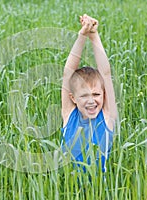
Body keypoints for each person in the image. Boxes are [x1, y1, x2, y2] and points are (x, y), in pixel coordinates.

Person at [61, 14, 118, 173]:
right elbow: (68, 73)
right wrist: (82, 35)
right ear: (73, 98)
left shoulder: (107, 117)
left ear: (104, 95)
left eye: (96, 94)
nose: (91, 101)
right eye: (84, 96)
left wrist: (94, 35)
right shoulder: (69, 115)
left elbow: (105, 74)